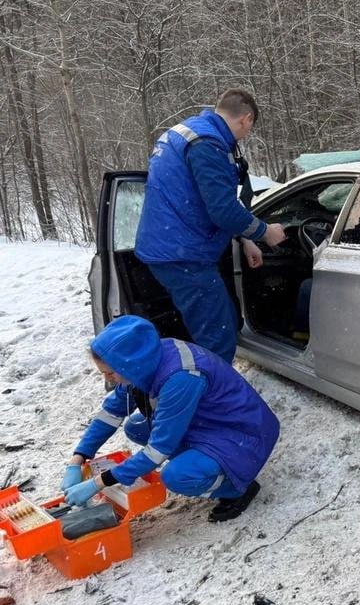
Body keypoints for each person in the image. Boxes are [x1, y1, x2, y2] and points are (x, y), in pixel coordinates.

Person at [60, 315, 280, 522]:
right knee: (136, 427)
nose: (109, 380)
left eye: (110, 373)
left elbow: (159, 448)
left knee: (176, 476)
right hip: (207, 421)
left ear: (126, 364)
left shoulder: (181, 378)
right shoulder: (143, 359)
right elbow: (110, 413)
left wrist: (98, 483)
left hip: (241, 432)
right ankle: (199, 459)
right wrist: (77, 460)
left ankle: (235, 489)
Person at [134, 89, 287, 362]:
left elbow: (207, 199)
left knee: (223, 318)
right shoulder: (208, 144)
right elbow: (223, 210)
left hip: (168, 246)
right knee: (218, 338)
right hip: (184, 256)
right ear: (246, 119)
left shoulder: (186, 132)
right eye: (249, 130)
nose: (245, 136)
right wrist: (266, 232)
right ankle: (213, 398)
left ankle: (206, 384)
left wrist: (245, 239)